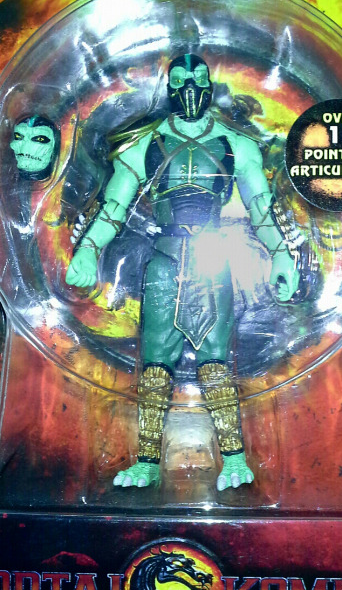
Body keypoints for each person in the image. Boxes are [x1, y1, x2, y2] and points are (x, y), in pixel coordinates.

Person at [66, 54, 300, 490]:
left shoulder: (237, 144)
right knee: (155, 365)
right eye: (179, 79)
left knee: (216, 363)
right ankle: (147, 463)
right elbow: (114, 206)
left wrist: (282, 255)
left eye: (197, 78)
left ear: (210, 85)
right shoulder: (145, 145)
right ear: (169, 87)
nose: (189, 87)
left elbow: (261, 207)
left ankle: (235, 460)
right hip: (165, 259)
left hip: (213, 260)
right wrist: (88, 250)